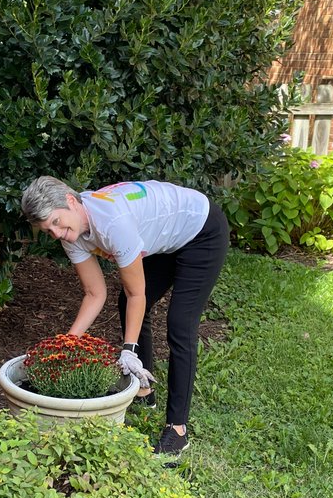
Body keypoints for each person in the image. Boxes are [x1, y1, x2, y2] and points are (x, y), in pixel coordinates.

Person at [21, 177, 229, 460]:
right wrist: (66, 343)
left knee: (180, 323)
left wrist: (129, 351)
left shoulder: (112, 223)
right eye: (48, 230)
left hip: (201, 229)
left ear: (70, 201)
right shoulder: (72, 232)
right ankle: (144, 392)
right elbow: (95, 293)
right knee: (124, 302)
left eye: (56, 222)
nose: (56, 234)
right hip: (168, 238)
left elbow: (137, 294)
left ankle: (177, 431)